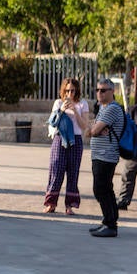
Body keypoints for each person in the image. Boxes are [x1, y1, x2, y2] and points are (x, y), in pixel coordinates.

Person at [43, 78, 90, 215]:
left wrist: (75, 111)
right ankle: (51, 203)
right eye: (67, 90)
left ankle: (69, 205)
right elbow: (52, 122)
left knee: (73, 172)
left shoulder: (82, 104)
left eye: (72, 90)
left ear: (77, 91)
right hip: (60, 138)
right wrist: (61, 110)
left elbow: (84, 126)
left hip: (75, 140)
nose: (70, 93)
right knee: (56, 171)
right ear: (63, 90)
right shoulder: (58, 103)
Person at [87, 79, 126, 238]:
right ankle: (108, 220)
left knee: (100, 189)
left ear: (112, 91)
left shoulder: (112, 109)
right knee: (106, 189)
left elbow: (93, 131)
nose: (99, 93)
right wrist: (95, 129)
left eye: (103, 90)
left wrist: (94, 130)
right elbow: (94, 130)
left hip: (106, 155)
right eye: (97, 90)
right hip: (99, 154)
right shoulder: (103, 108)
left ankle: (111, 225)